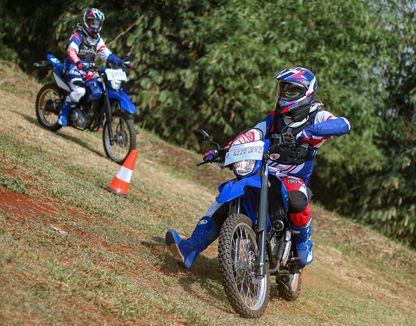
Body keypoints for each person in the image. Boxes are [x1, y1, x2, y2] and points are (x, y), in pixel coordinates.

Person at [166, 67, 351, 268]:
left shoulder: (317, 116)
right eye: (283, 88)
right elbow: (252, 134)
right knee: (224, 202)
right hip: (264, 169)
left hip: (293, 176)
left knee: (298, 201)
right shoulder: (274, 118)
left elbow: (343, 124)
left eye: (292, 90)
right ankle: (189, 248)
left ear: (307, 92)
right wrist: (225, 151)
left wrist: (311, 132)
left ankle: (302, 243)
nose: (285, 93)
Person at [58, 8, 131, 127]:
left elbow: (107, 55)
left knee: (101, 88)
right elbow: (71, 51)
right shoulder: (78, 35)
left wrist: (121, 62)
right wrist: (78, 62)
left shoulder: (98, 40)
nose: (95, 25)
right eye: (92, 22)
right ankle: (64, 112)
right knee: (80, 90)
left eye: (97, 22)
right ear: (86, 21)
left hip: (89, 69)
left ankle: (92, 113)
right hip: (72, 66)